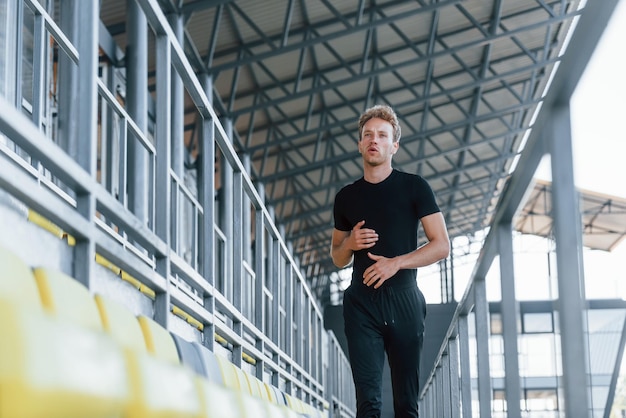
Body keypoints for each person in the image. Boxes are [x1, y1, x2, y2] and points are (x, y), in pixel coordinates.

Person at [330, 104, 450, 417]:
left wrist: (395, 263)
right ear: (359, 144)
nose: (374, 140)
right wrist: (350, 243)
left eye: (382, 135)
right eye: (367, 135)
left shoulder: (414, 187)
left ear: (393, 145)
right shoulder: (346, 197)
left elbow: (442, 246)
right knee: (367, 405)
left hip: (405, 302)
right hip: (361, 305)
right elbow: (336, 257)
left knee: (406, 407)